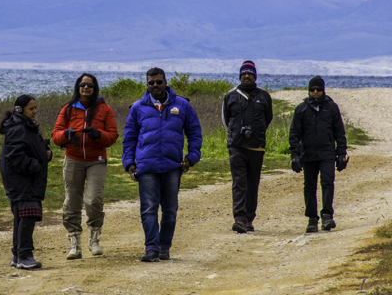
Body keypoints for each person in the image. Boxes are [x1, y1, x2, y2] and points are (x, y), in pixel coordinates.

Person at [122, 68, 202, 262]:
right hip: (146, 166)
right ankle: (152, 248)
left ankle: (164, 247)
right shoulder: (138, 107)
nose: (155, 86)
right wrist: (129, 162)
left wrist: (192, 156)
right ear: (147, 85)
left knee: (170, 210)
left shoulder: (182, 105)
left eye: (158, 82)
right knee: (149, 208)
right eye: (151, 83)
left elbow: (194, 132)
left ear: (165, 82)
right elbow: (129, 138)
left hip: (173, 166)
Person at [52, 73, 119, 260]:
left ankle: (94, 240)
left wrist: (99, 135)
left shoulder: (104, 109)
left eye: (89, 85)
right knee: (71, 202)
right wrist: (67, 134)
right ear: (77, 87)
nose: (86, 88)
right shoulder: (67, 109)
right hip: (73, 159)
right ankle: (74, 244)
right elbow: (55, 135)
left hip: (96, 159)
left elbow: (113, 135)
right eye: (83, 85)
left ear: (95, 87)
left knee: (94, 200)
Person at [288, 76, 349, 233]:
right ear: (308, 91)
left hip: (328, 153)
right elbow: (294, 134)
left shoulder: (332, 108)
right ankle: (312, 219)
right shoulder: (301, 109)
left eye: (318, 89)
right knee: (309, 186)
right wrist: (295, 155)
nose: (315, 92)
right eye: (312, 89)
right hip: (307, 154)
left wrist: (342, 153)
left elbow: (340, 132)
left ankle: (327, 216)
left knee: (327, 183)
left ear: (323, 90)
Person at [0, 94, 52, 270]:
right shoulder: (18, 128)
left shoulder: (23, 126)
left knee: (22, 217)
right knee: (27, 216)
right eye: (31, 108)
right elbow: (16, 156)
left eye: (35, 108)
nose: (35, 111)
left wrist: (44, 155)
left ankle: (18, 255)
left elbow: (28, 150)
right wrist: (37, 165)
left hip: (23, 181)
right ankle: (24, 256)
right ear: (20, 110)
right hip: (22, 182)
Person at [221, 60, 273, 233]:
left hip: (256, 147)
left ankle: (249, 218)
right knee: (239, 182)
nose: (246, 75)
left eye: (250, 73)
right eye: (244, 73)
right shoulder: (230, 96)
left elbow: (268, 118)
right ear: (240, 75)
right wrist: (235, 134)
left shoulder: (264, 96)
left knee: (252, 184)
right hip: (237, 147)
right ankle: (240, 218)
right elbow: (225, 119)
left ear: (255, 76)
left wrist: (257, 132)